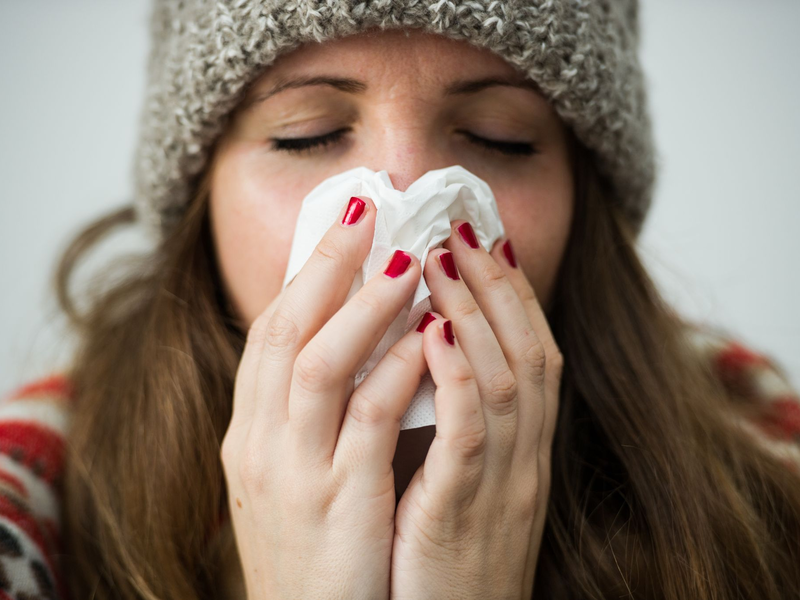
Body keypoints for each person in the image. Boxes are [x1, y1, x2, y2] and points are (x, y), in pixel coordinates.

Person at [1, 1, 799, 599]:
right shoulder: (31, 516)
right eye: (307, 134)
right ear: (201, 194)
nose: (408, 203)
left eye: (498, 137)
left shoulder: (773, 509)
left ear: (583, 200)